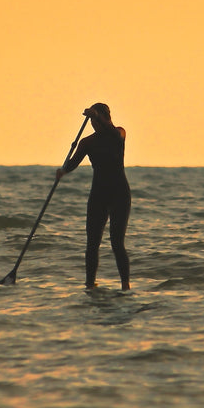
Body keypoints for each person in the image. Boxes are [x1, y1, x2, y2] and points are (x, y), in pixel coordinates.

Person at [56, 103, 131, 290]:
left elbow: (111, 130)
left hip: (119, 194)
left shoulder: (119, 134)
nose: (94, 124)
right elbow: (72, 164)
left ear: (106, 118)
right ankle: (90, 285)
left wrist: (97, 115)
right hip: (98, 195)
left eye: (97, 120)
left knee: (117, 243)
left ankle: (125, 286)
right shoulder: (87, 142)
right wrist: (63, 171)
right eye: (92, 121)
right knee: (92, 243)